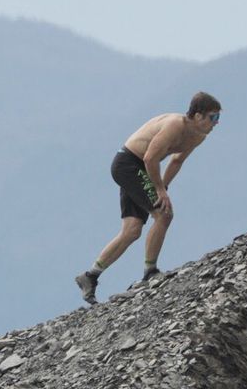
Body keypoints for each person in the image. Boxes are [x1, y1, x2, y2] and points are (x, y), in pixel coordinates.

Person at [74, 91, 222, 304]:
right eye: (213, 118)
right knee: (164, 215)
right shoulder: (175, 125)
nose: (216, 123)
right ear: (198, 116)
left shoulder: (199, 135)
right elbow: (150, 157)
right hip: (130, 164)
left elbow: (176, 161)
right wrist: (159, 190)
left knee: (132, 231)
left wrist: (164, 186)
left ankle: (90, 276)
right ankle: (150, 273)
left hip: (139, 168)